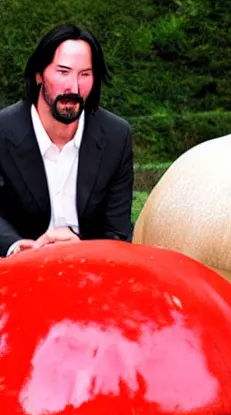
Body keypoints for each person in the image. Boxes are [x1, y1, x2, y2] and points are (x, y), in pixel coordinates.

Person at [0, 23, 134, 257]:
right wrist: (15, 247)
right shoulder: (2, 131)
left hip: (89, 269)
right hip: (14, 270)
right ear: (40, 74)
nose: (73, 86)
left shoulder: (116, 136)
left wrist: (82, 249)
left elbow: (117, 232)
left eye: (85, 74)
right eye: (63, 72)